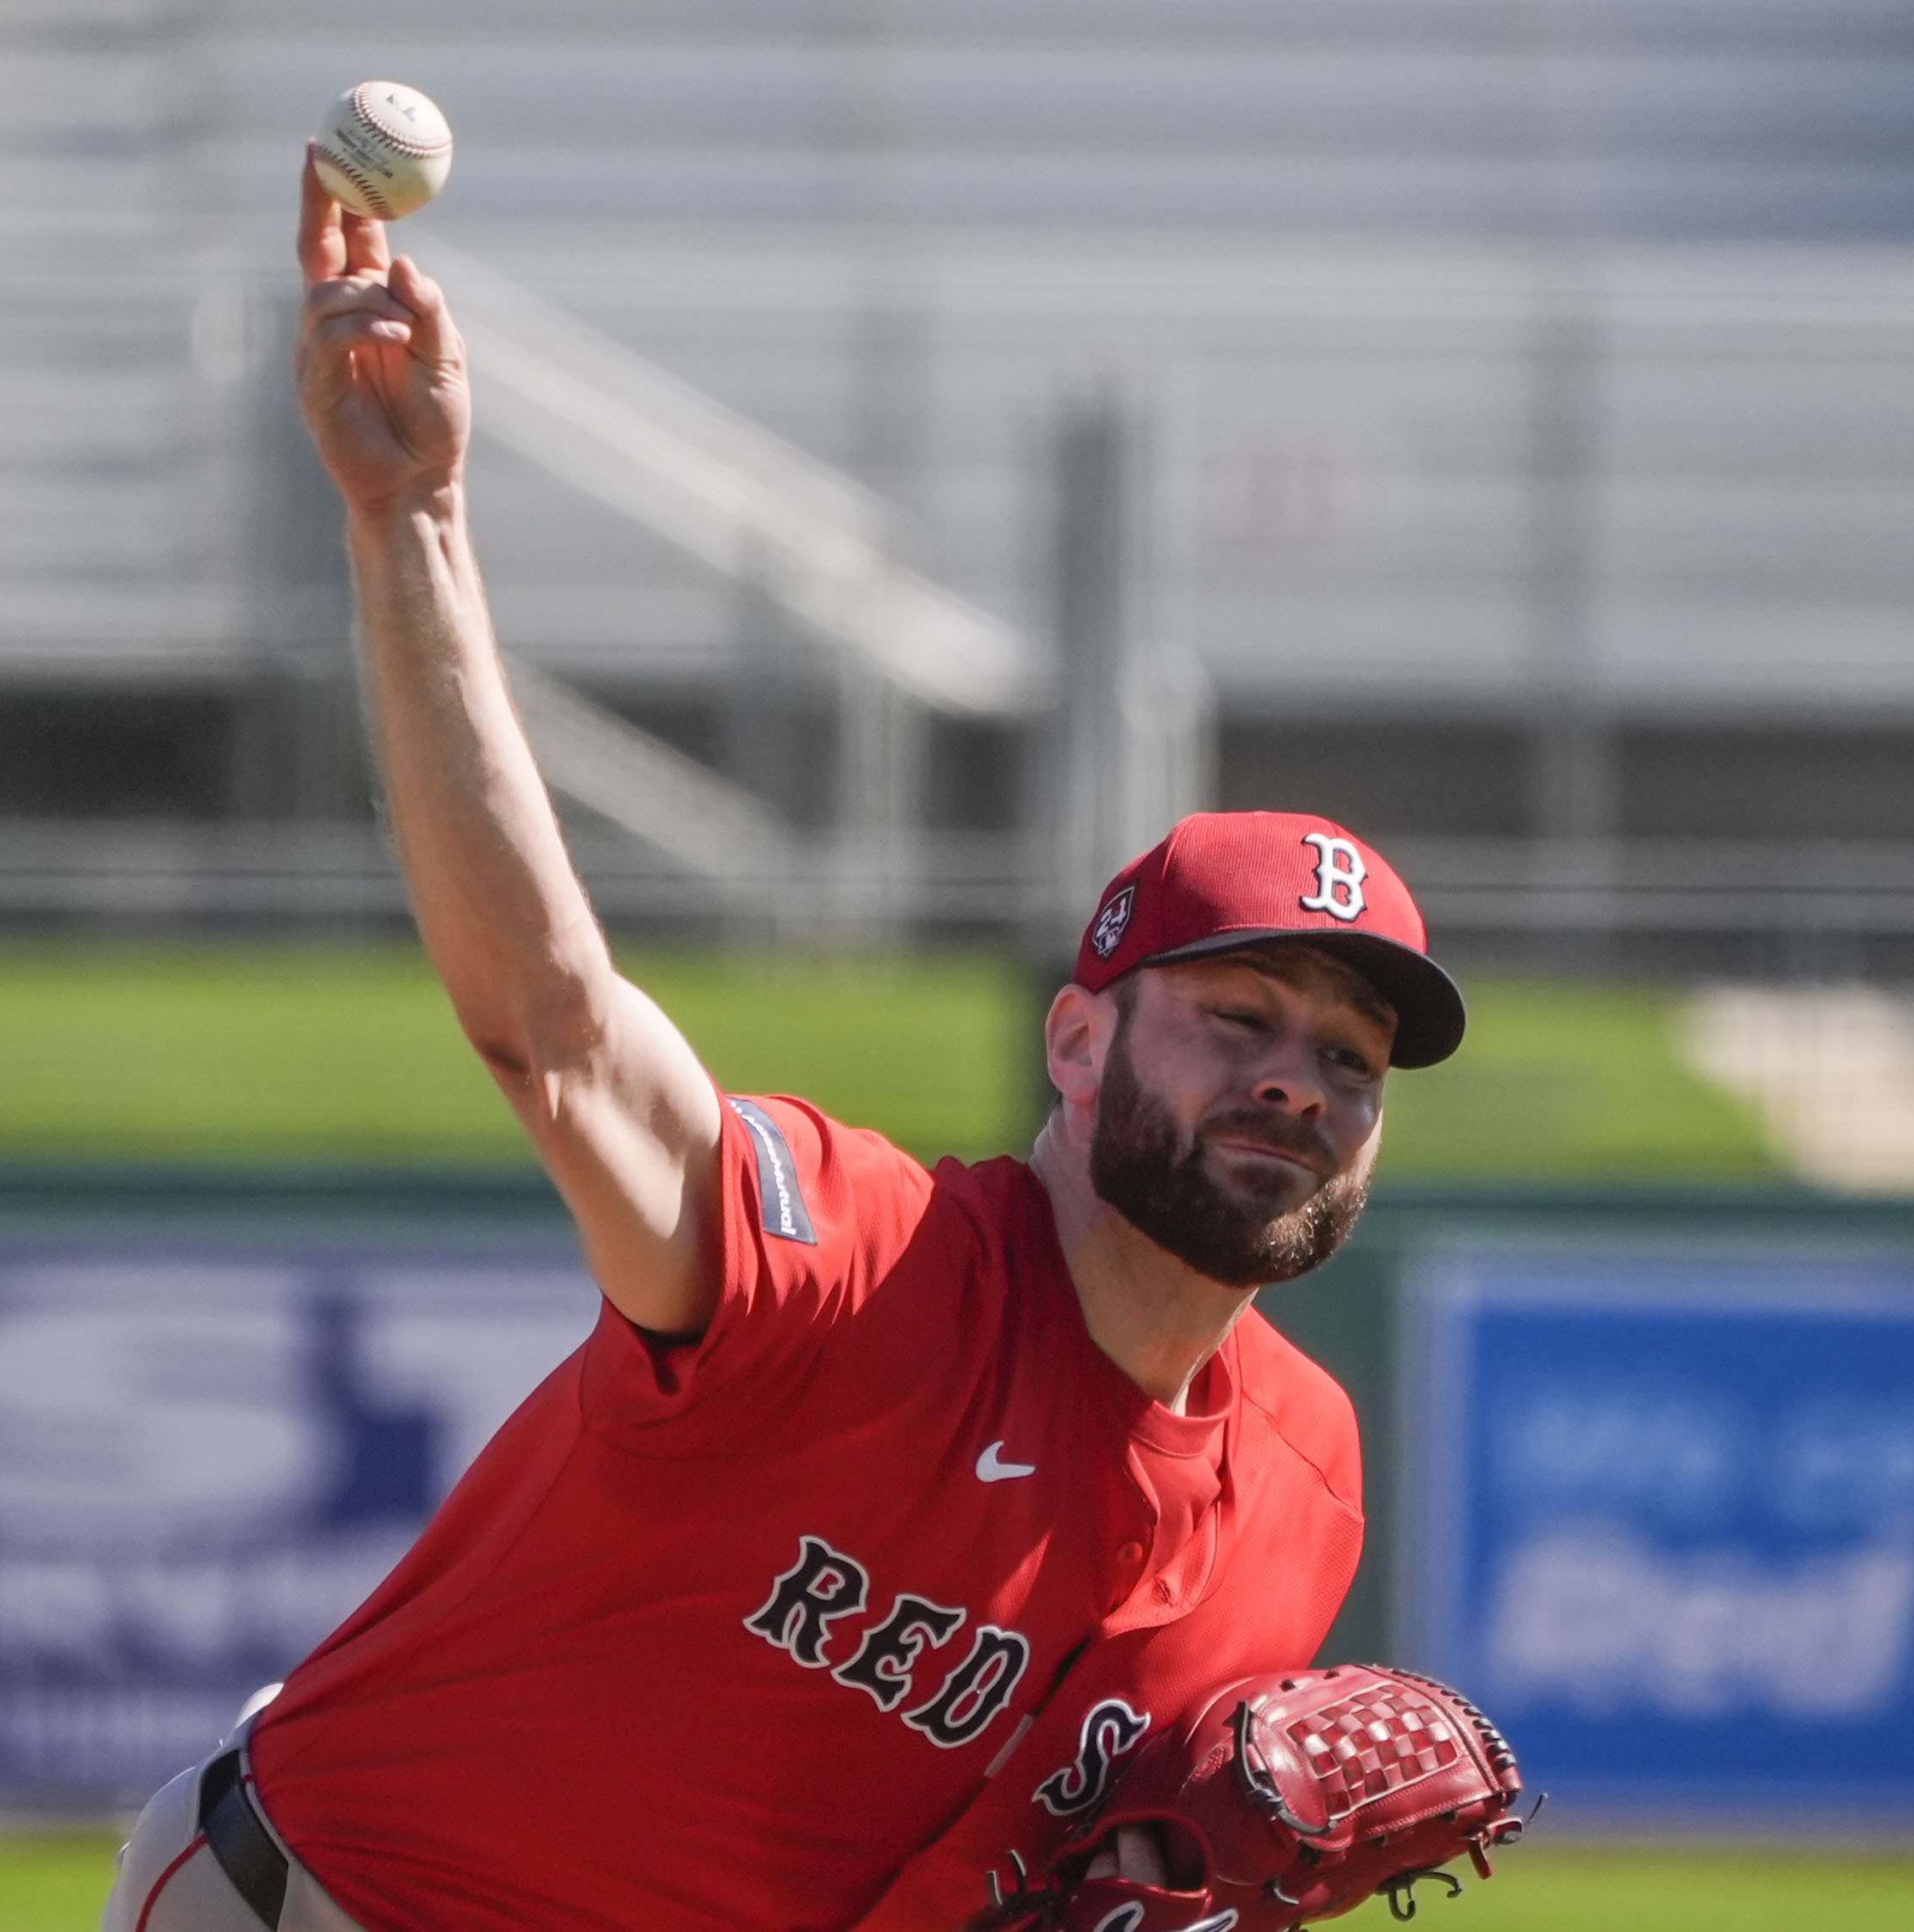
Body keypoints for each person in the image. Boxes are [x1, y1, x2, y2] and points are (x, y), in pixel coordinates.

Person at [101, 159, 1466, 1932]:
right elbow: (558, 1032)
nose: (1296, 1079)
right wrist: (411, 521)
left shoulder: (1302, 1483)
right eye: (1234, 1018)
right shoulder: (853, 1258)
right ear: (1072, 1042)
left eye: (1351, 1060)